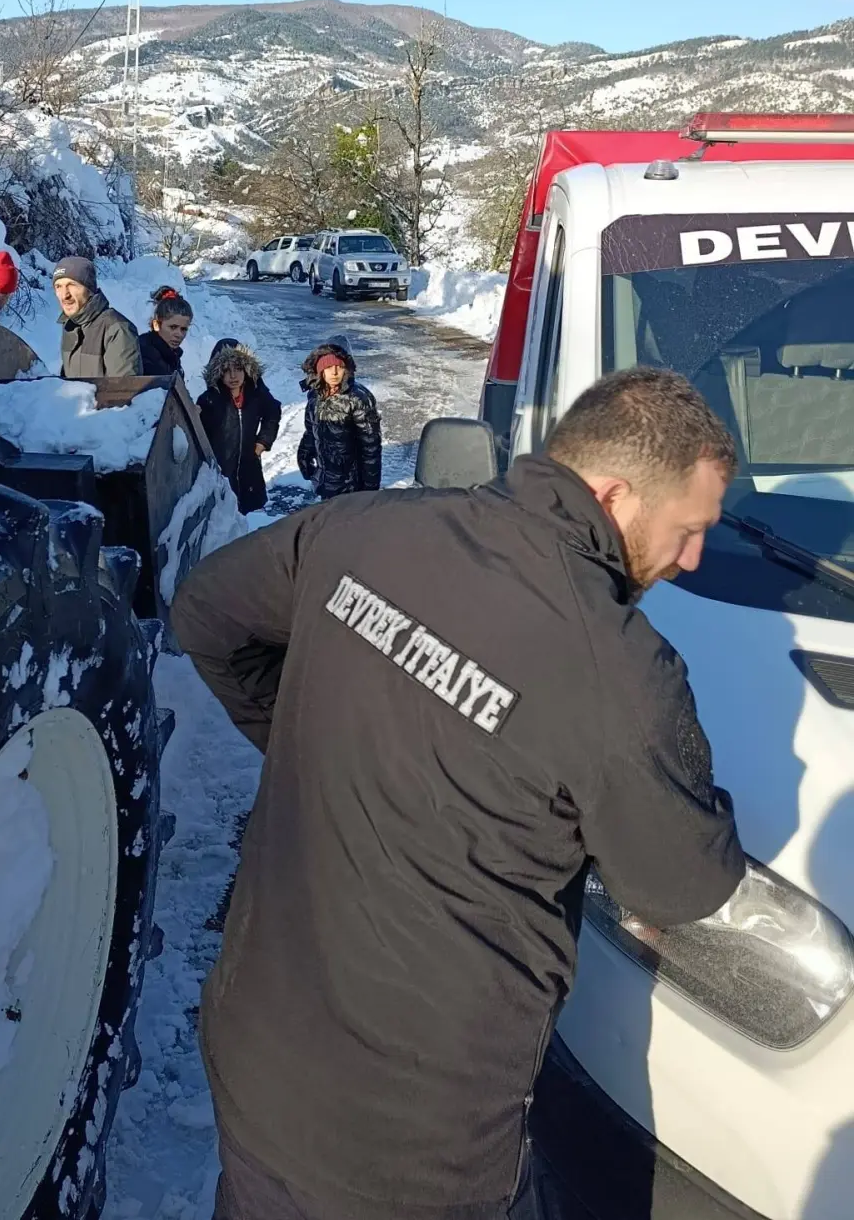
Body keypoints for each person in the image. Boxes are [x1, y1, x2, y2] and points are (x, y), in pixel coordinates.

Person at [171, 367, 745, 1220]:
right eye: (688, 529)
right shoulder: (620, 669)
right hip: (414, 1147)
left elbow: (203, 613)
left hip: (257, 1056)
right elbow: (680, 883)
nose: (691, 557)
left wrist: (308, 737)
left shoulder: (363, 528)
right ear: (615, 494)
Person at [197, 341, 283, 515]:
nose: (233, 375)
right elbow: (199, 434)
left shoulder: (257, 393)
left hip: (249, 465)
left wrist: (263, 441)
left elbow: (273, 412)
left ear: (247, 369)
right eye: (226, 370)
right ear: (218, 372)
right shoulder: (209, 400)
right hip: (222, 467)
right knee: (224, 513)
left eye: (238, 368)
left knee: (249, 511)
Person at [297, 335, 381, 498]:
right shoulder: (315, 396)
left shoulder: (358, 399)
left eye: (339, 367)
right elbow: (311, 430)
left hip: (351, 484)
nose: (334, 372)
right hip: (325, 479)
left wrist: (370, 489)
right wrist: (304, 454)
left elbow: (370, 448)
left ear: (347, 369)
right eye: (329, 367)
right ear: (320, 370)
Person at [53, 255, 143, 378]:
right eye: (58, 286)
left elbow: (124, 387)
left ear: (89, 289)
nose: (64, 295)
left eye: (72, 285)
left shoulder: (117, 329)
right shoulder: (71, 326)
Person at [139, 285, 194, 376]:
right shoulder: (142, 353)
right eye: (173, 327)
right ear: (157, 324)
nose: (179, 334)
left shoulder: (172, 356)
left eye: (184, 329)